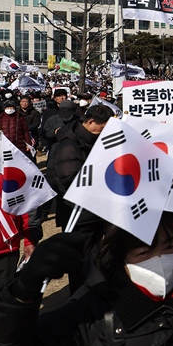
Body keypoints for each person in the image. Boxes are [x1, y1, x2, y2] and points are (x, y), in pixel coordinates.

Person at [0, 213, 173, 346]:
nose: (161, 260)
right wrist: (22, 291)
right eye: (144, 253)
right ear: (122, 259)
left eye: (171, 246)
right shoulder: (92, 311)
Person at [46, 104, 113, 295]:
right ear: (90, 122)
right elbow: (70, 180)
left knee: (94, 256)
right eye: (101, 129)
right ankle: (80, 296)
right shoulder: (70, 145)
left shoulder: (92, 140)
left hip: (94, 211)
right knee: (81, 259)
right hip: (78, 213)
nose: (102, 133)